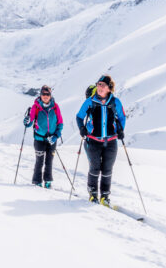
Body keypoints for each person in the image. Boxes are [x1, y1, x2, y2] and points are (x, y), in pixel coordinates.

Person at [75, 75, 126, 206]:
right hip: (93, 140)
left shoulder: (115, 102)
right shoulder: (90, 102)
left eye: (102, 85)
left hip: (111, 141)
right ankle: (92, 195)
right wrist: (82, 128)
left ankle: (105, 197)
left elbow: (122, 118)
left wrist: (120, 130)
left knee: (107, 169)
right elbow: (79, 116)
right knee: (95, 168)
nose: (99, 87)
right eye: (98, 84)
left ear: (109, 88)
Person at [23, 85, 63, 188]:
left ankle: (48, 181)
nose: (45, 96)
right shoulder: (35, 106)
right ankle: (37, 182)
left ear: (50, 95)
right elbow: (30, 121)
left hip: (51, 139)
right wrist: (27, 122)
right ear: (40, 95)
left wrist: (56, 136)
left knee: (49, 162)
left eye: (47, 94)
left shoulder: (55, 107)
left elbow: (60, 123)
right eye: (43, 94)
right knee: (39, 161)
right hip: (39, 139)